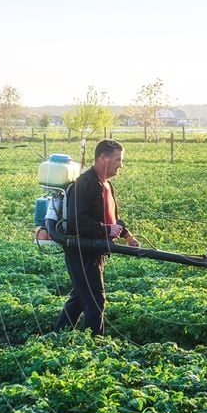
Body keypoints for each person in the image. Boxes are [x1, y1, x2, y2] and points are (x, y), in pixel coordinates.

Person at [54, 139, 139, 334]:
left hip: (95, 251)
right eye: (118, 159)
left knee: (78, 299)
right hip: (81, 252)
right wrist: (106, 230)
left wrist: (127, 235)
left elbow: (112, 219)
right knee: (95, 301)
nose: (121, 165)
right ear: (103, 158)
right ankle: (94, 348)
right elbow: (77, 220)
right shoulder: (85, 183)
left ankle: (55, 338)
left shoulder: (106, 185)